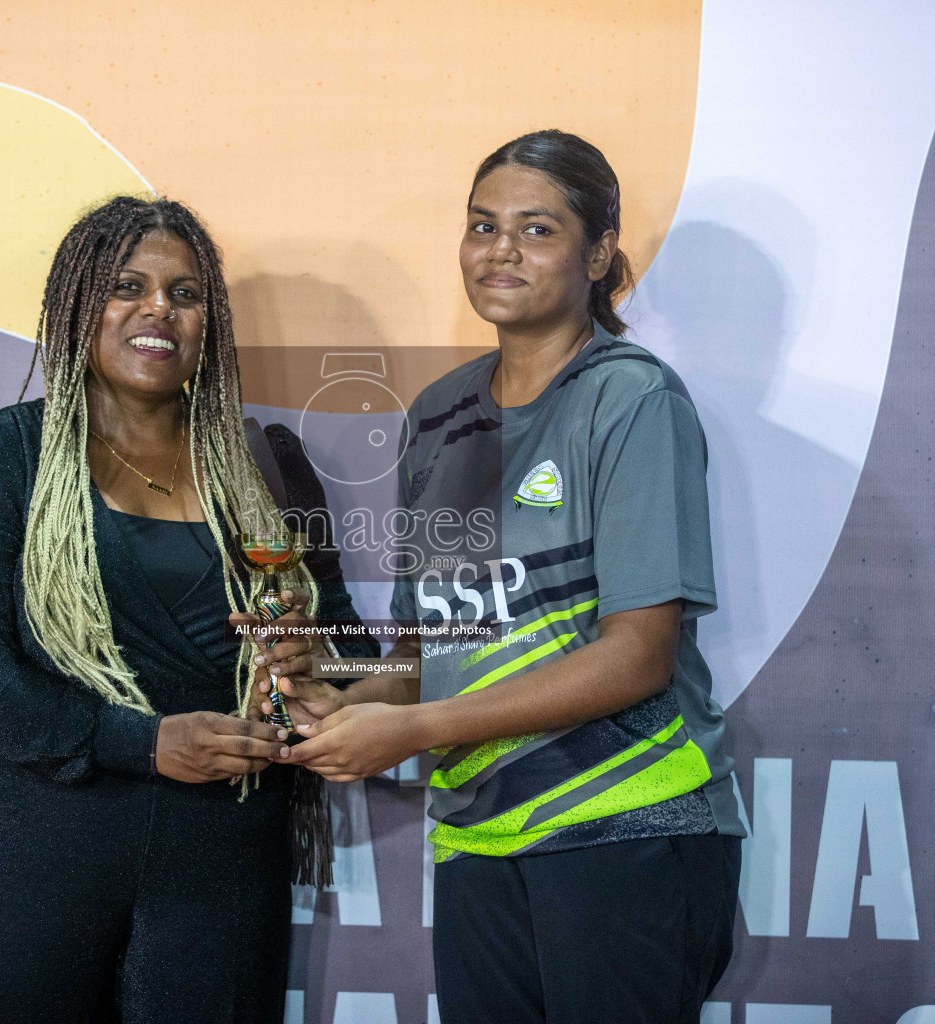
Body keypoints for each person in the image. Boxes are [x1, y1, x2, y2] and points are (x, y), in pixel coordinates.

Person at [276, 131, 746, 1022]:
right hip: (479, 840)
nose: (500, 250)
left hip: (625, 830)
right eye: (482, 225)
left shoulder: (631, 398)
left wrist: (417, 725)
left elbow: (638, 657)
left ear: (598, 253)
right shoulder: (437, 416)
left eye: (537, 230)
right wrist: (345, 704)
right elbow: (434, 650)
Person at [0, 195, 376, 1023]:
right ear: (77, 307)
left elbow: (365, 658)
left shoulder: (269, 469)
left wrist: (319, 664)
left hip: (226, 862)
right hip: (38, 854)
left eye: (186, 293)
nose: (158, 307)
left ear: (210, 324)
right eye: (126, 286)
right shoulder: (1, 457)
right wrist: (144, 742)